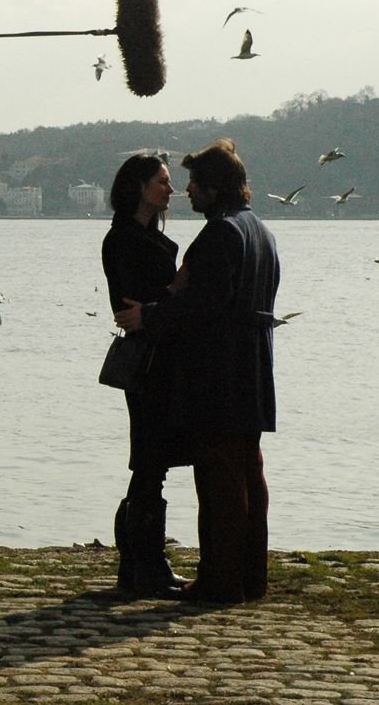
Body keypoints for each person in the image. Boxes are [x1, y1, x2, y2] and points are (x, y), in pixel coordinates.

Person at [116, 139, 280, 604]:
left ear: (214, 187)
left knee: (220, 480)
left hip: (219, 375)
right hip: (253, 372)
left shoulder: (222, 233)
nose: (187, 191)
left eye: (194, 183)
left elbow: (203, 306)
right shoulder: (260, 230)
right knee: (249, 475)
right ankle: (250, 578)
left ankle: (220, 581)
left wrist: (150, 316)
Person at [101, 154, 191, 594]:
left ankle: (139, 562)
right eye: (162, 181)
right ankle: (145, 562)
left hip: (157, 356)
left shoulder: (141, 237)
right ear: (139, 186)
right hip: (150, 361)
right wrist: (176, 289)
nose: (170, 189)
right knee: (151, 459)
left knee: (152, 460)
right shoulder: (124, 239)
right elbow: (132, 305)